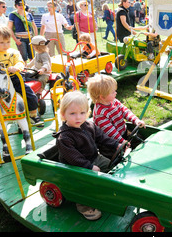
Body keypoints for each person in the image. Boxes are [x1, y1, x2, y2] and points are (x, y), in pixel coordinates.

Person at [53, 91, 123, 220]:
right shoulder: (64, 137)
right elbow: (73, 157)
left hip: (93, 157)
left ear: (87, 113)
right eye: (72, 113)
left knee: (112, 166)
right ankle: (83, 205)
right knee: (83, 184)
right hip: (74, 167)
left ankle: (105, 189)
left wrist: (116, 144)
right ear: (63, 115)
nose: (78, 117)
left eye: (82, 113)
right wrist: (89, 166)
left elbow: (102, 137)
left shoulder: (89, 125)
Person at [0, 24, 44, 127]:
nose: (6, 45)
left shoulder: (13, 52)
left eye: (8, 42)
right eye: (2, 42)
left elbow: (21, 63)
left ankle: (33, 114)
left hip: (13, 79)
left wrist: (16, 67)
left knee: (29, 94)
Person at [87, 74, 145, 145]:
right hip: (112, 142)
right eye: (113, 92)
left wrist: (135, 120)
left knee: (140, 140)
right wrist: (122, 141)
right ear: (102, 97)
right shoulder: (100, 113)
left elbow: (124, 111)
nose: (116, 93)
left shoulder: (113, 101)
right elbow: (110, 131)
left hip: (123, 132)